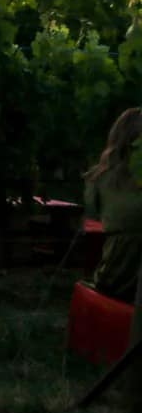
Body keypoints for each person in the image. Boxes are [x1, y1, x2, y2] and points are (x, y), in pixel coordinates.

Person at [85, 108, 142, 301]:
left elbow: (93, 214)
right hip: (125, 279)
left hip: (113, 274)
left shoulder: (99, 177)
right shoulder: (103, 177)